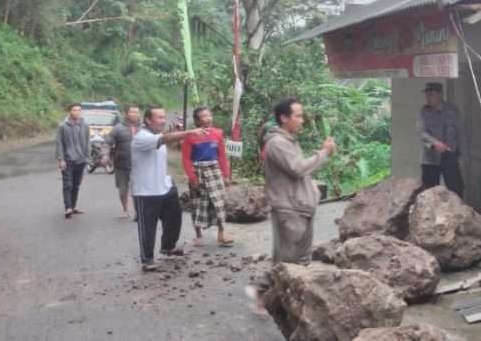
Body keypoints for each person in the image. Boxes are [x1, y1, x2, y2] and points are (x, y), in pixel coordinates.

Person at [245, 98, 335, 312]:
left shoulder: (288, 141)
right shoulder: (277, 143)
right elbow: (298, 169)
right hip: (288, 208)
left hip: (301, 206)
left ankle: (292, 301)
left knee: (302, 259)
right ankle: (259, 290)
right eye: (298, 116)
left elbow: (298, 173)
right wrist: (323, 153)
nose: (302, 120)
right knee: (286, 260)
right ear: (284, 118)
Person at [132, 106, 207, 272]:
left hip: (164, 186)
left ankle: (168, 246)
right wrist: (188, 133)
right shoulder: (141, 137)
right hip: (146, 191)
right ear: (148, 120)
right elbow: (165, 140)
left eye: (164, 117)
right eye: (159, 117)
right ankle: (147, 259)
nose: (163, 120)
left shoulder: (157, 135)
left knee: (174, 217)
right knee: (148, 227)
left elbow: (166, 141)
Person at [181, 107, 234, 248]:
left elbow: (222, 156)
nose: (208, 118)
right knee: (198, 203)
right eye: (204, 116)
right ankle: (198, 235)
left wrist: (226, 175)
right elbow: (186, 159)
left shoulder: (218, 134)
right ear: (197, 120)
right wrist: (192, 178)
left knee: (219, 202)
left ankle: (222, 233)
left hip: (215, 170)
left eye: (209, 115)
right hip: (198, 171)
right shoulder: (190, 136)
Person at [416, 82, 464, 196]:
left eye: (431, 94)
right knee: (429, 193)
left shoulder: (453, 110)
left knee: (456, 190)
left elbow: (460, 134)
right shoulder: (424, 111)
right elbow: (421, 132)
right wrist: (436, 143)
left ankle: (457, 213)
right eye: (426, 94)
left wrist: (462, 157)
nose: (428, 97)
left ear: (441, 94)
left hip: (450, 155)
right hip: (430, 157)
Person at [105, 105, 141, 219]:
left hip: (139, 165)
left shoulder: (144, 128)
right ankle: (125, 209)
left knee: (138, 189)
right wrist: (105, 155)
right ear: (126, 114)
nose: (135, 114)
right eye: (132, 112)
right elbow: (107, 143)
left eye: (137, 112)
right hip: (121, 164)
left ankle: (138, 212)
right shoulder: (118, 128)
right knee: (123, 190)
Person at [56, 103, 91, 219]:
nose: (77, 112)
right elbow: (59, 143)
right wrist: (61, 159)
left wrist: (88, 157)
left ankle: (74, 206)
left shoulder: (85, 125)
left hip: (81, 160)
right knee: (68, 185)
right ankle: (68, 208)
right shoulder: (63, 126)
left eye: (79, 110)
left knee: (76, 184)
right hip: (68, 160)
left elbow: (87, 142)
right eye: (74, 110)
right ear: (70, 112)